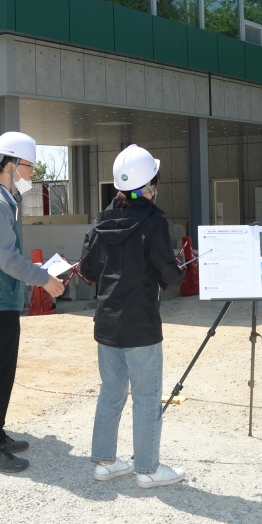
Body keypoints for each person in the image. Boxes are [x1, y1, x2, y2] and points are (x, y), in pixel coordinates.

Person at [78, 145, 185, 489]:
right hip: (141, 324)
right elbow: (169, 276)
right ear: (150, 184)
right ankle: (148, 469)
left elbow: (87, 270)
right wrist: (178, 268)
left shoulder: (101, 221)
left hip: (107, 322)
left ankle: (105, 463)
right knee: (147, 397)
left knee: (111, 392)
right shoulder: (153, 222)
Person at [0, 131, 66, 472]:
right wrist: (44, 279)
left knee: (0, 372)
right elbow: (7, 259)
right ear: (10, 165)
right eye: (28, 167)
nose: (31, 175)